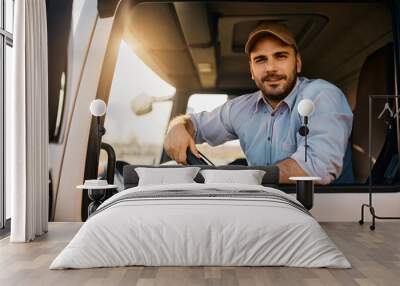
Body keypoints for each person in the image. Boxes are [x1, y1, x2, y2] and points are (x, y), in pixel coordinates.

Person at [164, 22, 354, 185]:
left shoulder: (322, 96)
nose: (271, 68)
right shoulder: (241, 108)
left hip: (325, 212)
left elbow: (316, 167)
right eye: (260, 60)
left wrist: (243, 179)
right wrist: (178, 127)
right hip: (265, 206)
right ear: (252, 70)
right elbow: (194, 124)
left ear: (297, 63)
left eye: (280, 56)